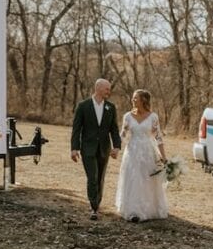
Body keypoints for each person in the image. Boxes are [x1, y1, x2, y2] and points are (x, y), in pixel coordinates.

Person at [114, 89, 169, 222]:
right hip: (132, 151)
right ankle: (133, 211)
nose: (133, 100)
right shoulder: (127, 116)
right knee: (133, 178)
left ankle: (148, 208)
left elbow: (158, 137)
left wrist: (163, 156)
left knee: (146, 180)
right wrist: (115, 148)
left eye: (135, 98)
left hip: (147, 152)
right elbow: (123, 134)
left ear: (143, 100)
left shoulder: (153, 117)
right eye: (133, 98)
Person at [70, 78, 122, 220]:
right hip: (87, 148)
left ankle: (97, 203)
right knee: (92, 177)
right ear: (98, 88)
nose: (109, 92)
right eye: (107, 89)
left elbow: (114, 129)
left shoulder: (110, 107)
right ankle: (94, 207)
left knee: (100, 178)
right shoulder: (83, 106)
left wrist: (117, 146)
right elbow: (76, 129)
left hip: (104, 149)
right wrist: (74, 148)